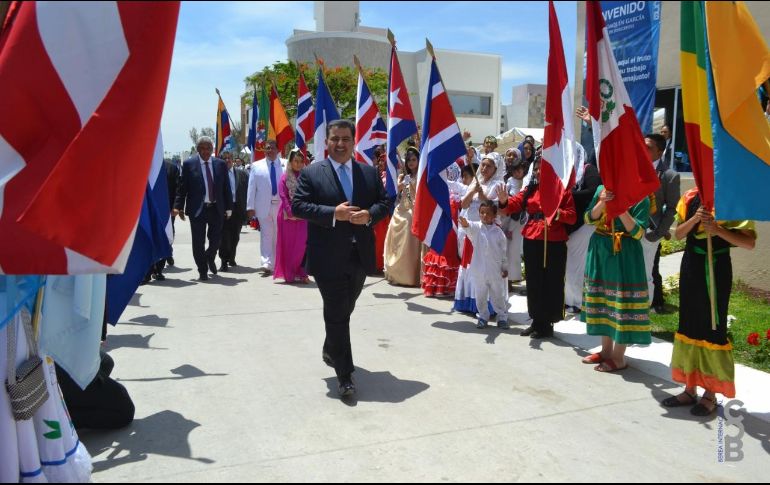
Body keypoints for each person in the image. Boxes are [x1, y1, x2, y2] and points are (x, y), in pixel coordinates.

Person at [292, 119, 392, 398]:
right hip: (327, 256)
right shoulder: (312, 173)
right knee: (337, 311)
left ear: (353, 141)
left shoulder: (368, 173)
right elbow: (298, 206)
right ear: (327, 142)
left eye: (345, 139)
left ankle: (331, 347)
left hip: (359, 255)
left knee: (345, 308)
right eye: (335, 139)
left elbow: (385, 203)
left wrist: (369, 215)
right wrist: (332, 214)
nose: (340, 144)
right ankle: (345, 375)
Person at [662, 189, 756, 415]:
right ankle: (689, 389)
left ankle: (710, 393)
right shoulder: (690, 197)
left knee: (712, 327)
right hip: (691, 265)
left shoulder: (733, 198)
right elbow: (679, 234)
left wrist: (717, 229)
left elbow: (749, 243)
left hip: (717, 267)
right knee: (689, 324)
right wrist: (695, 219)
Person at [496, 158, 576, 338]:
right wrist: (503, 201)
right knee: (533, 281)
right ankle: (536, 320)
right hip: (532, 236)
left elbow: (571, 216)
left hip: (553, 239)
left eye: (542, 169)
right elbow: (512, 205)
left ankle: (547, 323)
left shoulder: (562, 191)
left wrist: (556, 213)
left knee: (551, 282)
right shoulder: (530, 190)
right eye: (536, 169)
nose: (538, 172)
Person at [580, 187, 651, 372]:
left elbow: (637, 232)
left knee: (622, 302)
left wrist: (619, 208)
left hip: (624, 253)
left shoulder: (640, 195)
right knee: (604, 300)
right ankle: (605, 351)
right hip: (600, 249)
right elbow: (588, 218)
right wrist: (602, 202)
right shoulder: (601, 190)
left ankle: (618, 357)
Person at [174, 136, 233, 281]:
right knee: (198, 242)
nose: (206, 151)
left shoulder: (220, 164)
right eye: (203, 148)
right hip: (197, 210)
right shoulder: (189, 164)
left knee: (216, 240)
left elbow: (226, 187)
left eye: (209, 148)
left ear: (212, 149)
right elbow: (182, 188)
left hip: (216, 208)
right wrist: (178, 207)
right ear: (198, 149)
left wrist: (229, 207)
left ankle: (209, 257)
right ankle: (202, 270)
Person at [454, 153, 505, 314]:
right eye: (483, 165)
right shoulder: (476, 182)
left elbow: (494, 208)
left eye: (489, 166)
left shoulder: (498, 184)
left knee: (486, 266)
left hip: (487, 232)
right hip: (472, 229)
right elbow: (463, 204)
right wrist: (472, 191)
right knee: (472, 266)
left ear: (495, 168)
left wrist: (482, 194)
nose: (484, 168)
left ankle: (490, 306)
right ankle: (470, 301)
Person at [641, 133, 680, 314]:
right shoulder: (634, 168)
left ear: (660, 151)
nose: (643, 150)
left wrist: (658, 232)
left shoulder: (669, 175)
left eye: (648, 147)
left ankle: (654, 303)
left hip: (651, 230)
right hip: (630, 227)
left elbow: (672, 208)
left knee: (651, 268)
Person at [459, 201, 509, 329]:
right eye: (482, 213)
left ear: (494, 215)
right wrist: (465, 223)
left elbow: (503, 252)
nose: (484, 215)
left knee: (498, 295)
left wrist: (504, 267)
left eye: (488, 213)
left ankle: (502, 317)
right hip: (479, 270)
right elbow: (469, 226)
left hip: (495, 271)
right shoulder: (477, 228)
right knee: (480, 295)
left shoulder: (499, 233)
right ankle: (483, 316)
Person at [55, 351, 135, 429]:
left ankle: (70, 402)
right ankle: (62, 418)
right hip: (56, 361)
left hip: (67, 352)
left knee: (106, 362)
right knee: (125, 411)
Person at [564, 146, 602, 313]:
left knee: (577, 265)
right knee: (568, 265)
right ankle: (568, 299)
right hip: (568, 224)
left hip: (583, 224)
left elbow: (593, 191)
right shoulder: (565, 171)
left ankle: (578, 302)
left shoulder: (588, 169)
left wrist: (568, 196)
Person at [421, 163, 462, 297]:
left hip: (452, 227)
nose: (448, 174)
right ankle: (435, 286)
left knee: (449, 251)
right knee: (438, 250)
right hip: (438, 225)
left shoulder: (460, 190)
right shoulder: (437, 188)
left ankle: (447, 286)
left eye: (450, 172)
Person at [383, 147, 422, 287]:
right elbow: (395, 190)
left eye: (414, 160)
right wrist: (404, 182)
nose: (411, 162)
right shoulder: (403, 175)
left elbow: (418, 194)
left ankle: (409, 274)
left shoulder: (421, 175)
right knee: (395, 228)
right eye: (409, 160)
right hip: (401, 208)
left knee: (408, 224)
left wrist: (412, 183)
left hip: (415, 209)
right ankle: (396, 272)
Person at [247, 139, 284, 275]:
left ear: (278, 150)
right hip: (263, 206)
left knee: (278, 234)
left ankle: (278, 262)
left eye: (273, 148)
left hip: (281, 206)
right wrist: (250, 207)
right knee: (266, 235)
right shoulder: (256, 166)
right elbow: (251, 187)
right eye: (267, 148)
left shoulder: (285, 164)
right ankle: (266, 262)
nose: (270, 150)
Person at [274, 149, 310, 284]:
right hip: (287, 216)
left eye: (301, 161)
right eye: (296, 161)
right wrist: (291, 212)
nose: (298, 164)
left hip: (303, 216)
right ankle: (290, 273)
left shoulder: (306, 177)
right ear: (290, 161)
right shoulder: (284, 178)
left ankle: (301, 271)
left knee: (301, 246)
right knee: (288, 246)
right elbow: (283, 196)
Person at [218, 150, 248, 271]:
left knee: (235, 236)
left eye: (229, 158)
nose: (227, 160)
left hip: (238, 209)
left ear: (233, 159)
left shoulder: (242, 174)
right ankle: (223, 261)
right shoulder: (217, 174)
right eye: (224, 158)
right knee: (224, 237)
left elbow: (248, 191)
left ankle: (231, 257)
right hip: (224, 209)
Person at [502, 148, 527, 287]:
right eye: (515, 170)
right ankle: (505, 279)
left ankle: (513, 278)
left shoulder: (526, 182)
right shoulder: (509, 181)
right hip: (508, 216)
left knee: (514, 250)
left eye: (519, 170)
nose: (517, 173)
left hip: (520, 219)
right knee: (505, 248)